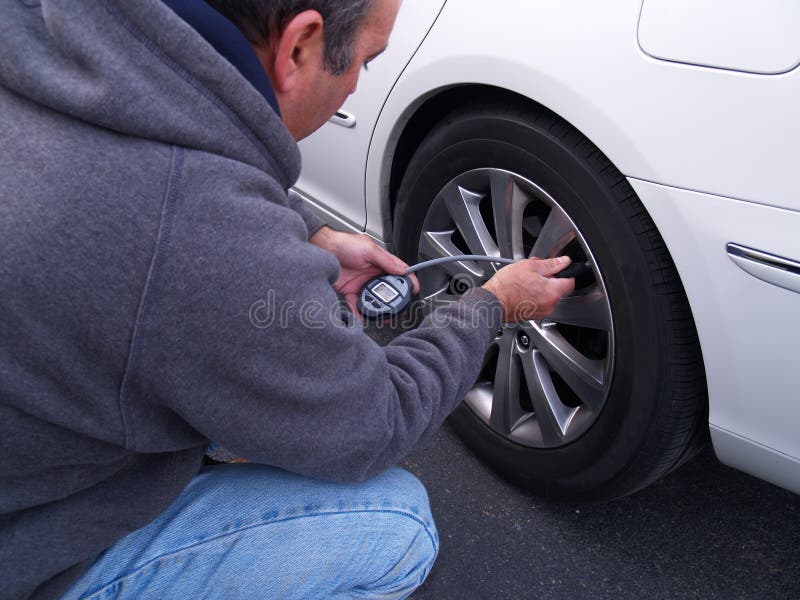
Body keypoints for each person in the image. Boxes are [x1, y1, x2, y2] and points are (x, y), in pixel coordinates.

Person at [0, 0, 575, 598]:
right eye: (366, 62)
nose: (355, 88)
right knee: (398, 525)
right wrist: (492, 306)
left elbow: (168, 175)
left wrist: (303, 229)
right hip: (28, 547)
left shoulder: (38, 39)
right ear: (300, 45)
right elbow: (375, 422)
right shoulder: (203, 237)